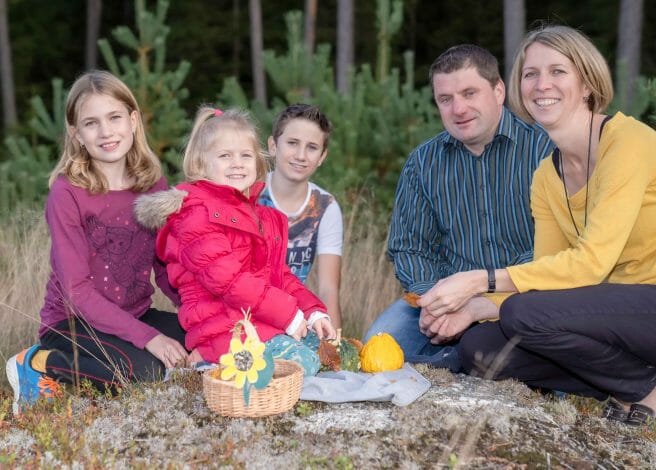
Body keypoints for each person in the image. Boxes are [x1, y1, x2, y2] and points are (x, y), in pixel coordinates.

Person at [420, 25, 656, 428]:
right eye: (530, 74)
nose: (542, 85)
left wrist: (477, 280)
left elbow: (590, 264)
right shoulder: (546, 177)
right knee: (481, 348)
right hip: (623, 321)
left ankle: (654, 389)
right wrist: (477, 308)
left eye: (558, 71)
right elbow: (548, 278)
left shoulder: (628, 142)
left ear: (587, 83)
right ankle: (634, 381)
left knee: (523, 312)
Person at [5, 70, 187, 414]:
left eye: (115, 117)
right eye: (91, 123)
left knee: (202, 338)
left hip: (134, 314)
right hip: (73, 324)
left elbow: (165, 268)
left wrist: (199, 315)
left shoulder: (153, 185)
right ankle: (39, 361)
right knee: (149, 372)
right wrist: (150, 338)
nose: (106, 132)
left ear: (133, 120)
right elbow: (78, 292)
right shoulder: (68, 193)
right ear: (76, 134)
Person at [363, 44, 553, 369]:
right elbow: (410, 247)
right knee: (376, 350)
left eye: (469, 93)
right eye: (445, 99)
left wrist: (483, 297)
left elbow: (555, 246)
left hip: (526, 297)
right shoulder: (424, 163)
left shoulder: (543, 150)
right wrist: (436, 301)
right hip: (443, 302)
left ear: (498, 91)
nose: (458, 108)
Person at [134, 106, 337, 377]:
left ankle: (241, 368)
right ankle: (210, 363)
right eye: (225, 156)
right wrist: (288, 314)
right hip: (223, 329)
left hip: (255, 320)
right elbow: (231, 283)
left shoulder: (257, 216)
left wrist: (312, 311)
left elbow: (279, 276)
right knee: (304, 363)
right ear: (200, 164)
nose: (237, 163)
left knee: (324, 347)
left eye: (245, 155)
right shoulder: (196, 215)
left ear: (258, 161)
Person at [258, 104, 343, 329]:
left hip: (297, 319)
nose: (301, 156)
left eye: (312, 147)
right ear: (273, 145)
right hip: (248, 314)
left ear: (322, 156)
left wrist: (335, 345)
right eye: (292, 143)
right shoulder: (250, 195)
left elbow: (328, 289)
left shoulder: (325, 207)